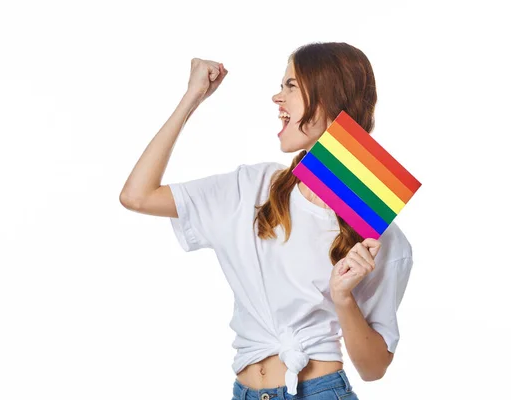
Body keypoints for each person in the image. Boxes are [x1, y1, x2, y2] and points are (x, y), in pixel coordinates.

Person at [119, 42, 413, 400]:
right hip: (245, 391)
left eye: (291, 85)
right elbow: (138, 195)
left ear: (329, 98)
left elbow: (373, 368)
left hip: (319, 391)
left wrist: (343, 297)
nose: (277, 97)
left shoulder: (381, 237)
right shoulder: (251, 188)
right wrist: (191, 98)